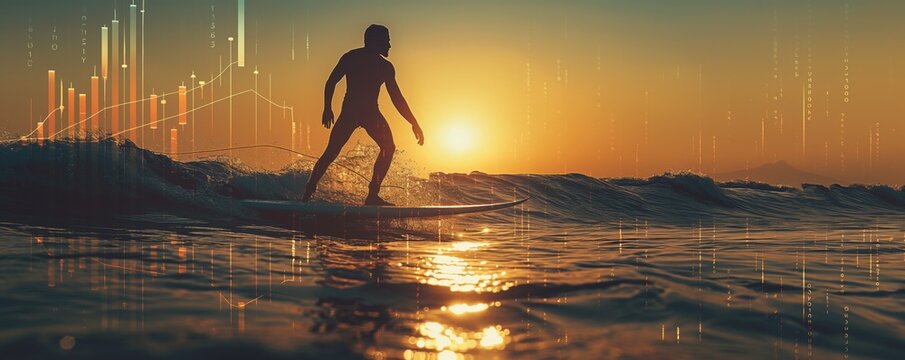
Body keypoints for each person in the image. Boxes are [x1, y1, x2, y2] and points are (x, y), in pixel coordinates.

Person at [302, 24, 424, 206]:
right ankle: (308, 191)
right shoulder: (352, 57)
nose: (390, 45)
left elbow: (397, 98)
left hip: (370, 113)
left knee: (388, 148)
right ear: (376, 42)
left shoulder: (385, 67)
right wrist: (327, 107)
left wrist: (413, 122)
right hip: (351, 112)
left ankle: (372, 195)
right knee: (331, 152)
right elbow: (331, 81)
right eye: (387, 40)